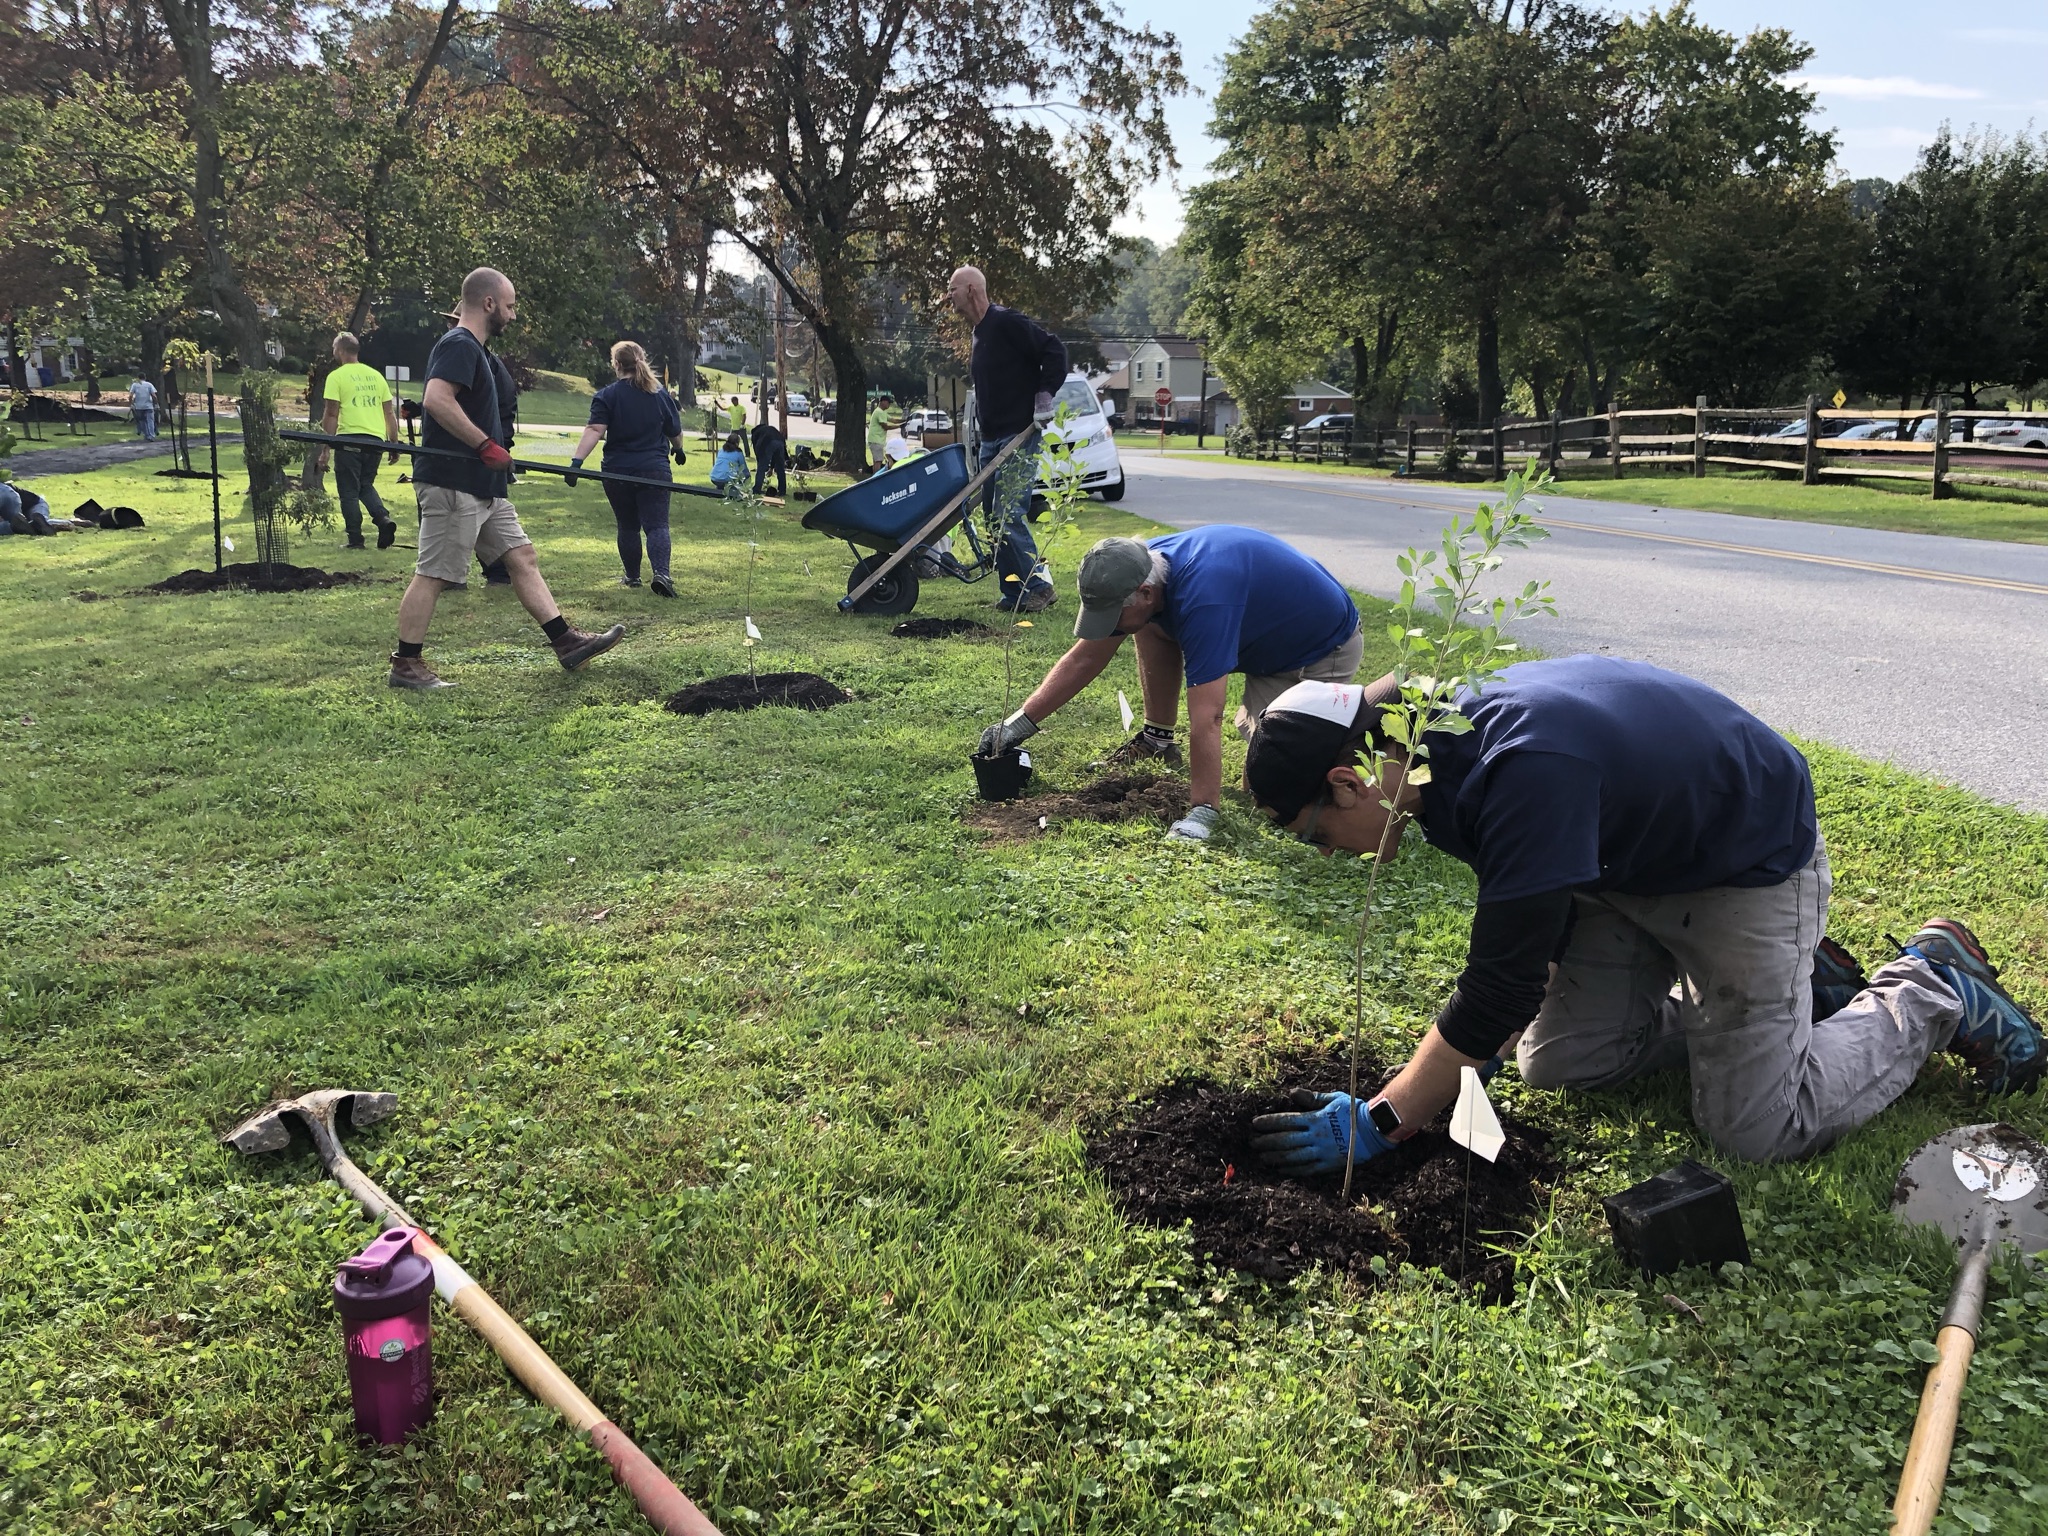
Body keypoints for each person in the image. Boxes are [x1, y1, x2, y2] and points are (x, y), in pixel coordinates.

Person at [1237, 657, 2046, 1176]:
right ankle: (1798, 996)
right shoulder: (1422, 757)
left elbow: (1499, 981)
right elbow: (1534, 915)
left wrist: (1388, 1116)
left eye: (1310, 834)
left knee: (1757, 1131)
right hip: (1622, 867)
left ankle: (1929, 987)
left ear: (1345, 783)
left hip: (1741, 866)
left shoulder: (1517, 767)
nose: (1323, 853)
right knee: (1559, 1064)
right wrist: (1476, 1048)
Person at [978, 528, 1362, 843]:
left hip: (1313, 650)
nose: (1108, 626)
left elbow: (1207, 716)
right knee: (1147, 627)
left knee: (1268, 785)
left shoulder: (1204, 601)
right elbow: (1085, 657)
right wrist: (1017, 724)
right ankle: (1158, 740)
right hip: (1255, 634)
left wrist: (1202, 810)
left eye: (1112, 615)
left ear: (1145, 594)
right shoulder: (1139, 567)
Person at [390, 266, 624, 691]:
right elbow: (436, 400)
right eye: (511, 307)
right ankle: (406, 664)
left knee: (521, 557)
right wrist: (484, 445)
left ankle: (566, 642)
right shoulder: (459, 343)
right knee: (436, 573)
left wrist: (493, 453)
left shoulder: (478, 351)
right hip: (454, 481)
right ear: (489, 303)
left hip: (482, 485)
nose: (513, 316)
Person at [944, 265, 1066, 613]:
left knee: (1008, 514)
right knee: (993, 519)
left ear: (970, 289)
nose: (948, 296)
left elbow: (1054, 350)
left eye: (952, 289)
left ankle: (1039, 586)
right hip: (991, 438)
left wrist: (1044, 395)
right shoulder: (979, 333)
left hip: (1017, 434)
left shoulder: (1006, 322)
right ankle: (1014, 593)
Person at [568, 340, 685, 597]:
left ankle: (632, 577)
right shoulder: (660, 394)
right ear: (641, 360)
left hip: (617, 471)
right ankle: (662, 574)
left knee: (627, 525)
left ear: (617, 364)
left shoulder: (606, 395)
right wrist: (679, 449)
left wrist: (577, 463)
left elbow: (594, 430)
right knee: (656, 525)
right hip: (654, 470)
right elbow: (674, 432)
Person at [314, 332, 400, 549]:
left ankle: (355, 539)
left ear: (340, 351)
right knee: (365, 485)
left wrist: (325, 448)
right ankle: (383, 520)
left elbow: (331, 414)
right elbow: (389, 413)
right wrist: (393, 443)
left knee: (349, 491)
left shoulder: (337, 377)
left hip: (349, 439)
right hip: (375, 440)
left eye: (334, 350)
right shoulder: (376, 376)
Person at [751, 414, 788, 497]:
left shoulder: (755, 433)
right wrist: (771, 467)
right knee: (780, 468)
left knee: (761, 468)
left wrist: (761, 463)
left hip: (769, 443)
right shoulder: (769, 429)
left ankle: (757, 489)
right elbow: (775, 455)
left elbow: (757, 449)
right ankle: (782, 490)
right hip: (780, 443)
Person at [865, 393, 896, 473]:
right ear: (883, 402)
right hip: (876, 440)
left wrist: (905, 421)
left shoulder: (883, 412)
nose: (889, 405)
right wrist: (899, 426)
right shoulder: (879, 412)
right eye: (888, 402)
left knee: (876, 461)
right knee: (878, 461)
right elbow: (886, 427)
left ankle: (874, 477)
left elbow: (893, 420)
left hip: (876, 440)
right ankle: (876, 477)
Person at [129, 375, 158, 441]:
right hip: (149, 406)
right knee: (150, 421)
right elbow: (154, 395)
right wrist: (156, 403)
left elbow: (130, 395)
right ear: (145, 378)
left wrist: (131, 403)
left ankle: (146, 435)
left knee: (142, 421)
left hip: (139, 406)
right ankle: (152, 435)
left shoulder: (135, 385)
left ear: (138, 378)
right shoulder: (149, 384)